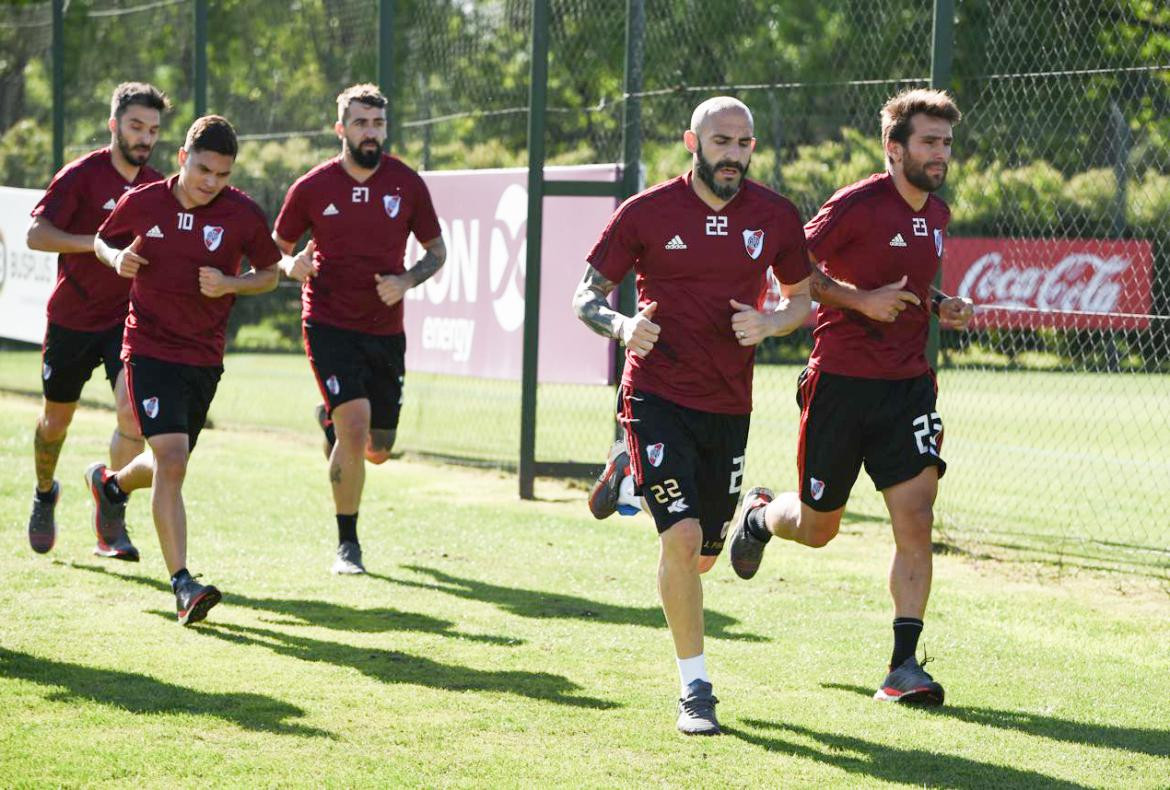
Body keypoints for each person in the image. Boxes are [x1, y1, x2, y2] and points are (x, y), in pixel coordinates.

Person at [727, 88, 974, 706]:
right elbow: (791, 270)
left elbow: (912, 284)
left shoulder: (937, 213)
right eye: (928, 142)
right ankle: (760, 515)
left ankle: (903, 666)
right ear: (894, 149)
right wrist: (860, 302)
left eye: (945, 142)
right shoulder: (856, 204)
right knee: (817, 531)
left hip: (909, 388)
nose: (940, 153)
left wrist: (943, 305)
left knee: (916, 520)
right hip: (839, 384)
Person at [572, 97, 812, 736]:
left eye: (744, 143)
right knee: (678, 542)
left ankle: (629, 477)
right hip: (656, 393)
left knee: (705, 556)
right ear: (692, 142)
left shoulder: (776, 217)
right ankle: (695, 690)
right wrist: (624, 325)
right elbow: (585, 296)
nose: (733, 154)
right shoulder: (646, 212)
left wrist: (770, 321)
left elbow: (803, 301)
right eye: (721, 141)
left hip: (728, 405)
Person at [89, 115, 282, 625]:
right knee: (172, 458)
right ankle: (183, 585)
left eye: (221, 173)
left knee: (167, 460)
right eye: (203, 169)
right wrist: (116, 260)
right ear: (182, 157)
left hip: (203, 357)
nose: (210, 182)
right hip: (149, 348)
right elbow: (102, 239)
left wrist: (230, 283)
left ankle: (110, 487)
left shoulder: (242, 213)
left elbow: (268, 274)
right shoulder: (146, 199)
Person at [273, 83, 446, 576]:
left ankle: (329, 421)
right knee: (354, 427)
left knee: (378, 449)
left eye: (377, 124)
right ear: (340, 129)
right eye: (360, 124)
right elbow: (276, 249)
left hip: (384, 330)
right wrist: (292, 267)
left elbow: (437, 252)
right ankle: (348, 545)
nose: (370, 133)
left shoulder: (407, 184)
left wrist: (406, 280)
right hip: (328, 322)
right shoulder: (311, 187)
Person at [24, 82, 169, 559]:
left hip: (129, 321)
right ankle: (46, 492)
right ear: (114, 125)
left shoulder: (158, 185)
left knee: (131, 414)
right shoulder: (80, 176)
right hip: (72, 318)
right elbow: (35, 235)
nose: (144, 138)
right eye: (135, 126)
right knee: (54, 422)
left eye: (152, 129)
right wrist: (100, 247)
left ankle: (112, 517)